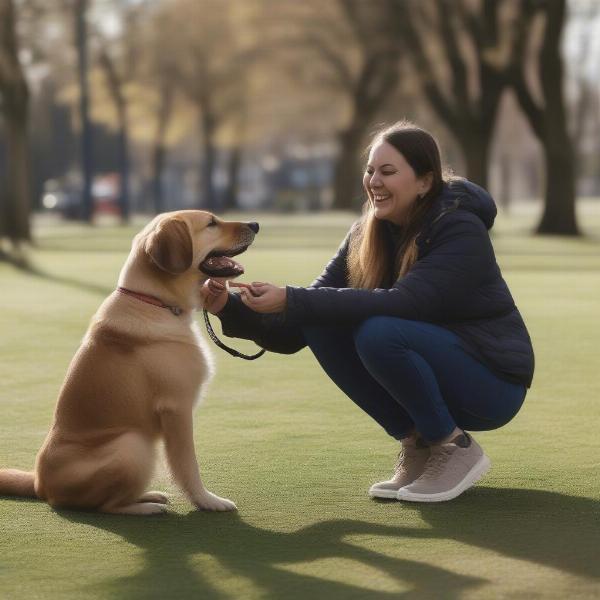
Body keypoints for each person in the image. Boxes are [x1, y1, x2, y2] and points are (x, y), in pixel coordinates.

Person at [201, 121, 534, 503]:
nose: (374, 181)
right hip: (436, 368)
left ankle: (453, 447)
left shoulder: (459, 228)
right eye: (370, 170)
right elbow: (300, 329)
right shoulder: (365, 233)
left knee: (379, 331)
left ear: (425, 182)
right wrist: (230, 306)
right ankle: (418, 445)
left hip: (492, 385)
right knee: (323, 321)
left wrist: (292, 298)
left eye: (388, 171)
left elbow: (406, 303)